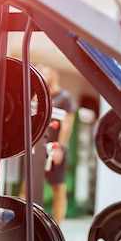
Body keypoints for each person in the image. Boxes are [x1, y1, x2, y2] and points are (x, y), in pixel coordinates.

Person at [22, 64, 76, 227]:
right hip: (35, 146)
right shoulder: (36, 97)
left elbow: (67, 124)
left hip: (55, 147)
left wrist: (59, 146)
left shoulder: (64, 97)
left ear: (53, 76)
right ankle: (24, 222)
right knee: (27, 186)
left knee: (58, 189)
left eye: (44, 73)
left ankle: (57, 227)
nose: (41, 77)